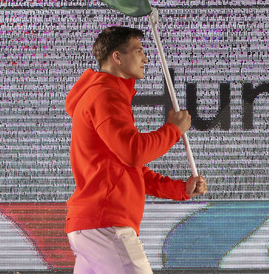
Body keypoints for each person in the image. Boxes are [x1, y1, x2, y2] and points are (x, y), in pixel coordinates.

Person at [65, 26, 208, 274]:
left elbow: (131, 168)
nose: (145, 58)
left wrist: (179, 189)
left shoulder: (106, 95)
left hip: (93, 227)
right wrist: (173, 130)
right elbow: (134, 152)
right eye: (138, 51)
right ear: (117, 57)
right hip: (106, 227)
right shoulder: (104, 95)